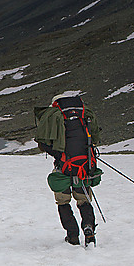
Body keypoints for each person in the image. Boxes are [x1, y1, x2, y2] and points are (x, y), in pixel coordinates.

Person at [34, 93, 102, 246]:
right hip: (84, 166)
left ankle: (72, 236)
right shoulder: (84, 115)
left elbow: (43, 144)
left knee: (63, 202)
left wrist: (59, 155)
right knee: (83, 199)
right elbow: (95, 139)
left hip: (64, 168)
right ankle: (89, 229)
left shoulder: (55, 116)